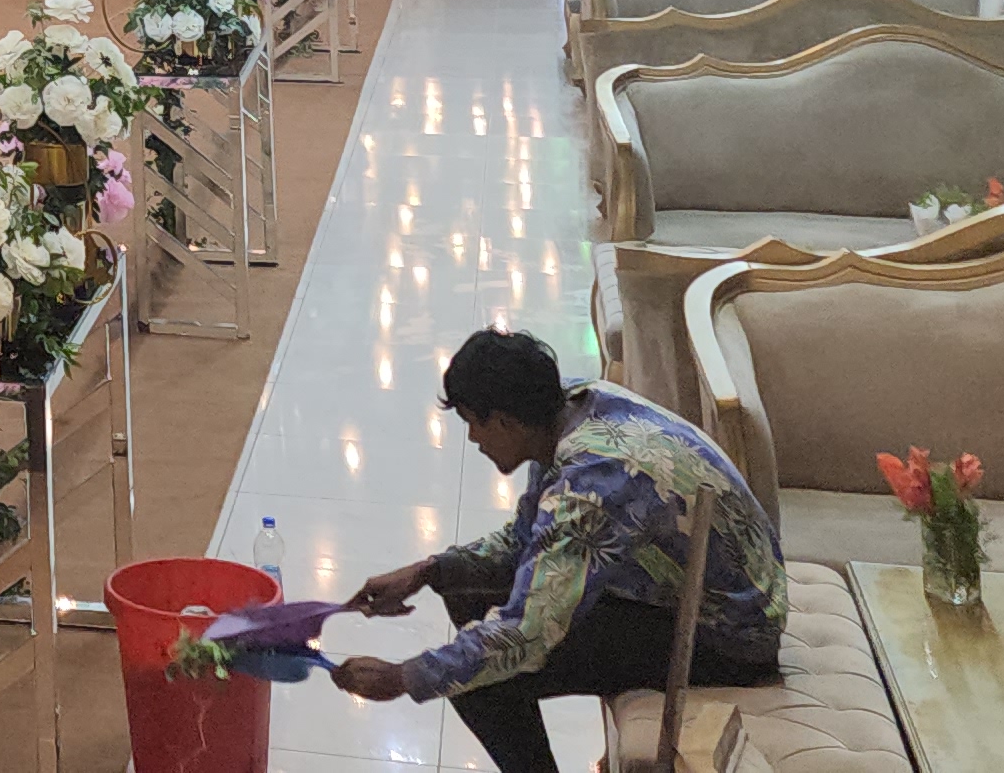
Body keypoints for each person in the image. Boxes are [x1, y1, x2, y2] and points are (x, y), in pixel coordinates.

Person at [329, 331, 785, 773]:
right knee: (466, 592)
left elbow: (527, 633)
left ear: (504, 421)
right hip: (682, 593)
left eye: (473, 423)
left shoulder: (595, 480)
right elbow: (524, 543)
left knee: (480, 680)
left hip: (727, 634)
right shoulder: (571, 408)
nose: (473, 439)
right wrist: (428, 571)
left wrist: (402, 677)